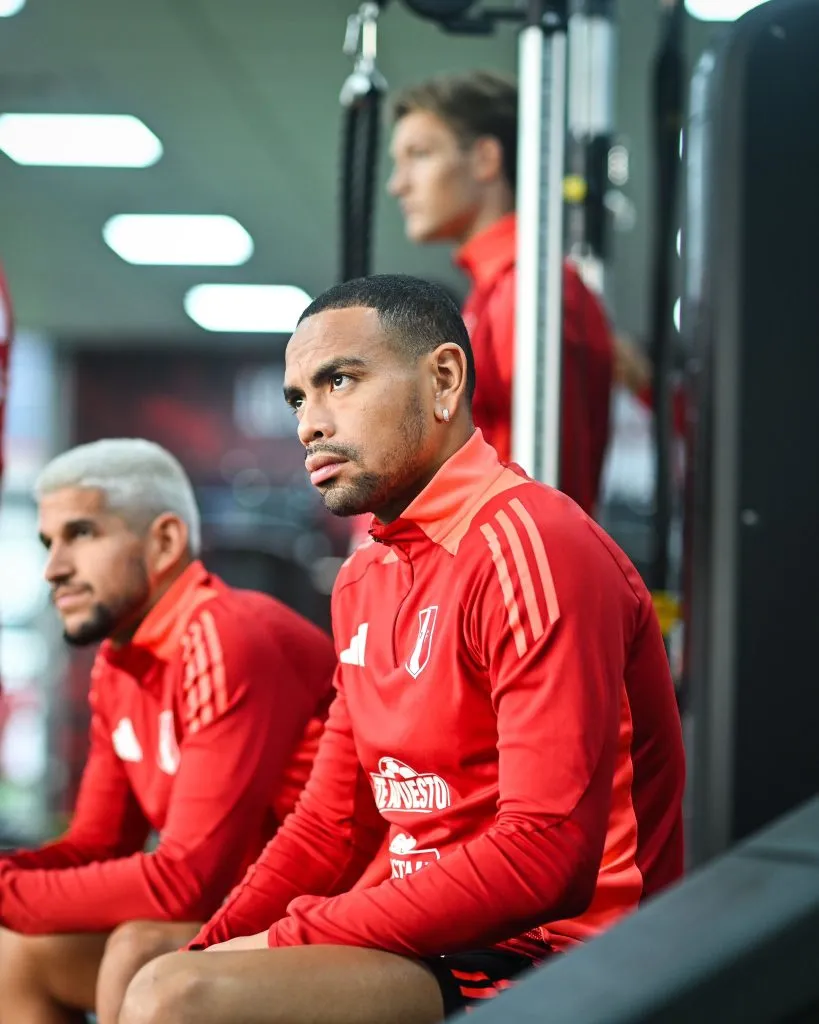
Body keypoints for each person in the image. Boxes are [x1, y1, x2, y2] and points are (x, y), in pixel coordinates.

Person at [117, 275, 685, 1024]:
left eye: (338, 382)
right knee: (151, 960)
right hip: (431, 943)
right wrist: (221, 944)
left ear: (443, 380)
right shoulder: (365, 578)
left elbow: (545, 856)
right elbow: (329, 825)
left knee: (176, 999)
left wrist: (280, 941)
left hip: (560, 956)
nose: (309, 425)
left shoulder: (533, 547)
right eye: (297, 399)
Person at [0, 438, 337, 1024]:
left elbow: (184, 881)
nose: (54, 568)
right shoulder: (117, 662)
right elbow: (98, 847)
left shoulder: (223, 633)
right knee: (16, 953)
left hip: (335, 915)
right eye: (48, 543)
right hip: (237, 912)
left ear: (165, 540)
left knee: (139, 946)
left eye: (81, 534)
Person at [388, 70, 615, 515]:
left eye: (419, 155)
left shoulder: (530, 295)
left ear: (486, 159)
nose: (398, 184)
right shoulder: (493, 294)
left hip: (519, 574)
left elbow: (548, 484)